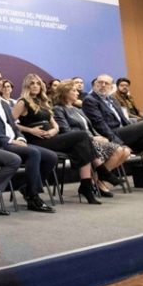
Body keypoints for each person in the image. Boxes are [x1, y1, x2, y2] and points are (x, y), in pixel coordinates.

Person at [12, 73, 101, 204]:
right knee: (82, 135)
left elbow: (55, 125)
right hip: (36, 141)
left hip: (51, 138)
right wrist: (30, 130)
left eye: (38, 83)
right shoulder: (22, 102)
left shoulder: (43, 102)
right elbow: (9, 123)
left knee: (81, 147)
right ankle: (100, 173)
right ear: (26, 86)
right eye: (32, 83)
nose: (35, 86)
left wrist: (54, 130)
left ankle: (86, 186)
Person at [0, 67, 55, 213]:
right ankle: (33, 197)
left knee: (51, 157)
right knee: (33, 153)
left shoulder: (4, 103)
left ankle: (27, 188)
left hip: (15, 142)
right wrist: (10, 141)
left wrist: (20, 138)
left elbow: (13, 125)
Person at [51, 80, 132, 196]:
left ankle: (98, 182)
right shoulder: (58, 109)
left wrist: (99, 136)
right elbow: (66, 131)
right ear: (64, 93)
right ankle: (100, 182)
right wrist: (93, 138)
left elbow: (90, 127)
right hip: (78, 144)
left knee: (126, 151)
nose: (77, 93)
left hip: (90, 139)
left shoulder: (78, 109)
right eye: (74, 91)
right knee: (118, 150)